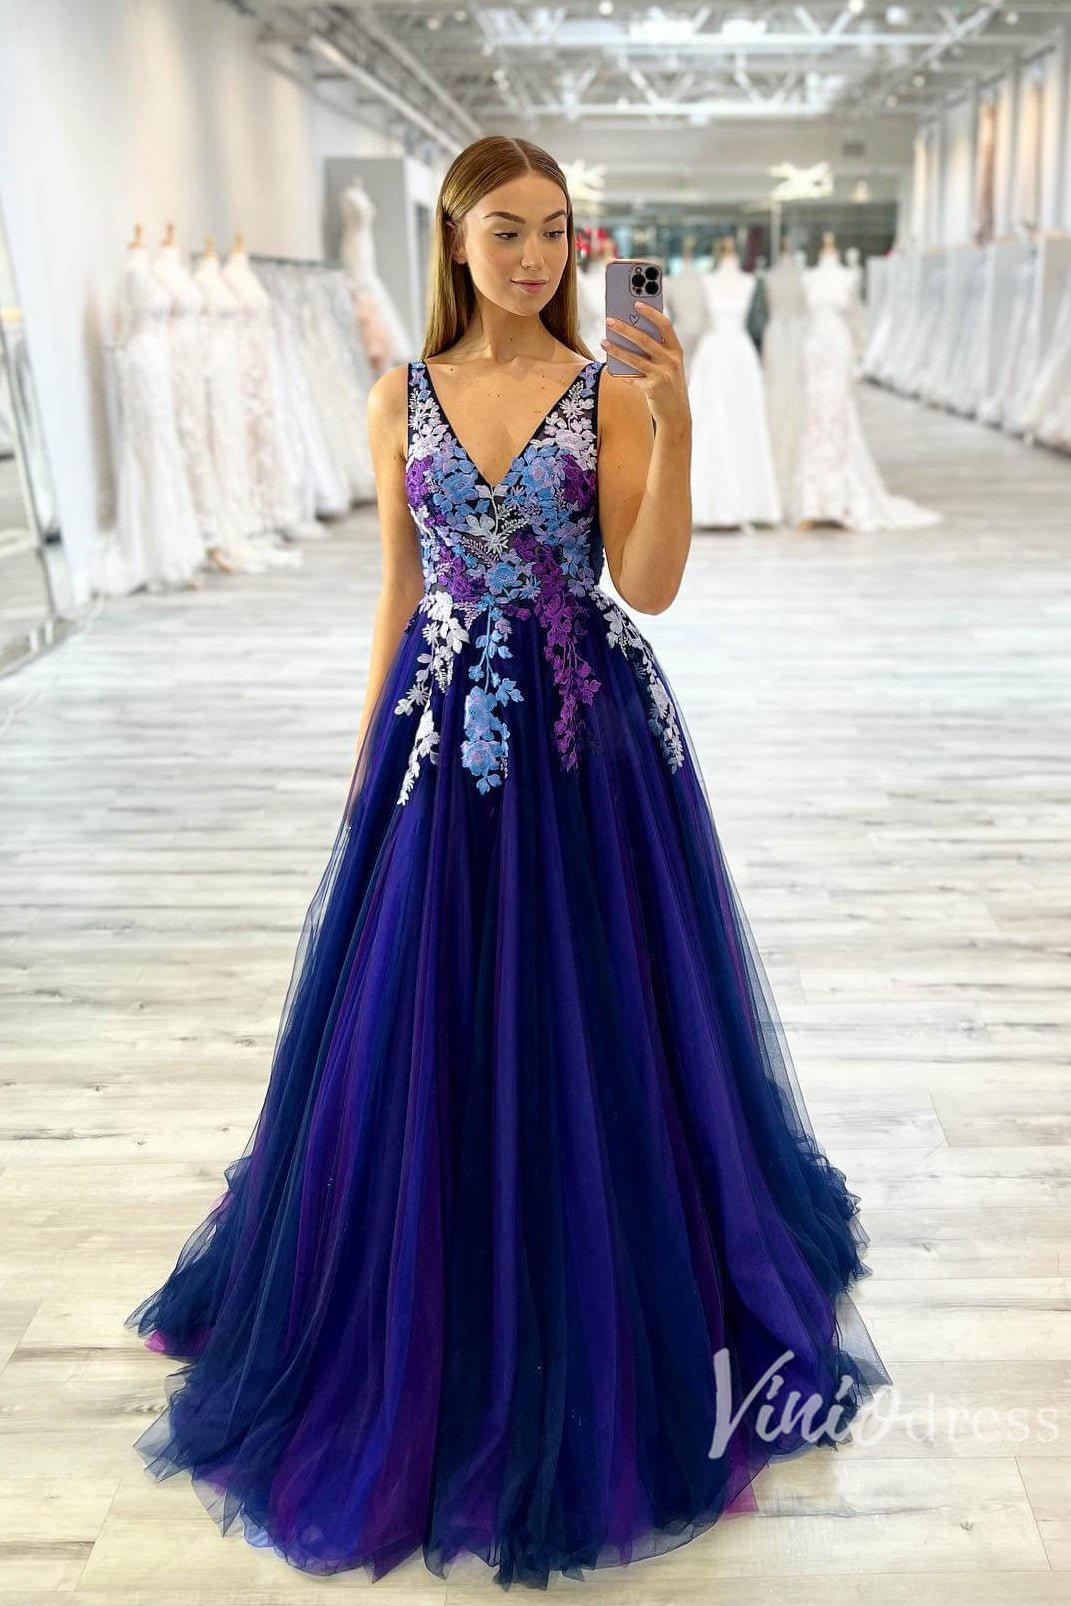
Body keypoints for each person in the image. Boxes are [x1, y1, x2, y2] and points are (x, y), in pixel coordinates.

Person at [125, 135, 892, 1590]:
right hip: (435, 745)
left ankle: (593, 1277)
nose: (535, 256)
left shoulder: (606, 391)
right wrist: (369, 751)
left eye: (555, 231)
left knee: (591, 1022)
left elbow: (648, 585)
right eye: (507, 231)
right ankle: (421, 1294)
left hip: (583, 749)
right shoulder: (396, 395)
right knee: (422, 1025)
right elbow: (399, 588)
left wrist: (673, 421)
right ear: (456, 239)